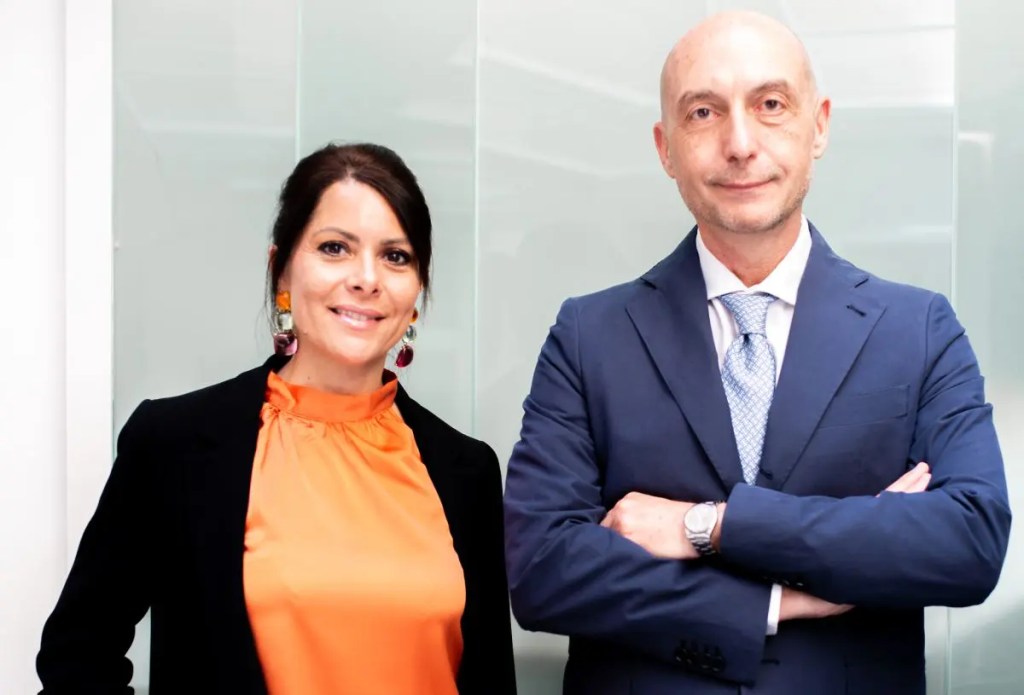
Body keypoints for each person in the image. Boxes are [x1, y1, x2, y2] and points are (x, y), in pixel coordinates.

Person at [503, 11, 1010, 695]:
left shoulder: (916, 329)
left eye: (771, 105)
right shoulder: (589, 335)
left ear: (818, 125)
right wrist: (777, 601)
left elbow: (968, 541)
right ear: (665, 148)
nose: (740, 144)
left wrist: (711, 525)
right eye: (703, 112)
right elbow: (543, 570)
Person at [37, 143, 516, 695]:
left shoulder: (467, 471)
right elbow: (78, 656)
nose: (367, 278)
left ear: (417, 291)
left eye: (395, 256)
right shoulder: (173, 445)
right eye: (335, 248)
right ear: (281, 269)